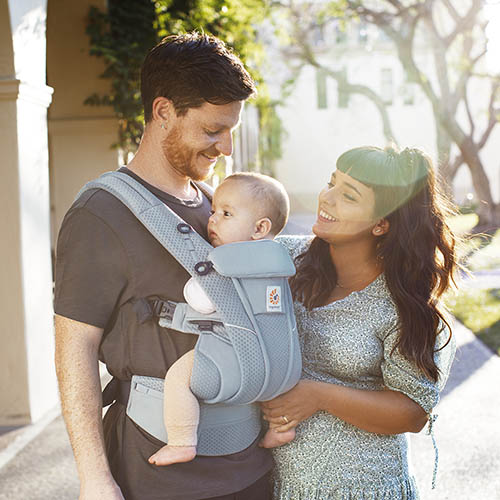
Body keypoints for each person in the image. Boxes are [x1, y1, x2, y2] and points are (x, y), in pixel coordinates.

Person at [54, 33, 274, 500]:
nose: (226, 147)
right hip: (159, 474)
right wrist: (94, 479)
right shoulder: (101, 213)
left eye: (230, 130)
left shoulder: (220, 208)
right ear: (163, 112)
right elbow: (74, 352)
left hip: (251, 462)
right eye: (213, 130)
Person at [261, 146, 458, 499]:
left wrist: (319, 395)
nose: (327, 198)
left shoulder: (403, 304)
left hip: (366, 488)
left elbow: (412, 413)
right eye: (331, 183)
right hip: (279, 484)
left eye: (348, 196)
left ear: (381, 223)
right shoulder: (284, 259)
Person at [149, 172, 295, 467]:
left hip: (231, 357)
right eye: (214, 210)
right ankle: (281, 429)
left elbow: (201, 300)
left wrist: (194, 285)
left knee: (178, 379)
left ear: (259, 228)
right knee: (267, 384)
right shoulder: (278, 259)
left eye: (226, 213)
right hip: (284, 363)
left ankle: (181, 441)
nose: (212, 220)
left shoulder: (227, 261)